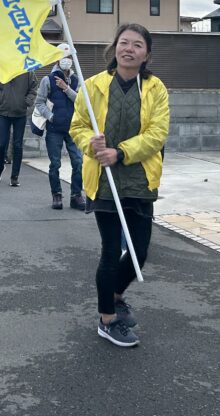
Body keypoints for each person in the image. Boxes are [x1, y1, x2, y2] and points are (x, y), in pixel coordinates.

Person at [70, 23, 169, 348]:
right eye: (124, 43)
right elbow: (78, 126)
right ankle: (107, 318)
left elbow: (158, 134)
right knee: (111, 251)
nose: (129, 49)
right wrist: (91, 143)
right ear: (114, 48)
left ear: (146, 54)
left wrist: (121, 152)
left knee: (139, 253)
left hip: (139, 180)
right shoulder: (93, 85)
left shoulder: (155, 88)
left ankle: (114, 294)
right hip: (104, 180)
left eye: (137, 45)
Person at [34, 44, 84, 211]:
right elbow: (39, 103)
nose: (66, 60)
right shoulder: (47, 80)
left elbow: (81, 102)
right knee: (55, 164)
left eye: (69, 57)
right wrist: (51, 116)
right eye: (63, 57)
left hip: (74, 128)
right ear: (56, 59)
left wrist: (66, 88)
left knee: (78, 162)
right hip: (54, 129)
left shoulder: (77, 80)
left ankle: (76, 196)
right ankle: (56, 195)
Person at [0, 68, 37, 186]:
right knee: (1, 143)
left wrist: (27, 101)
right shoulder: (1, 73)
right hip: (2, 113)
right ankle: (0, 167)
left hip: (20, 113)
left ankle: (15, 176)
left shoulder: (28, 73)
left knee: (17, 145)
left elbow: (34, 88)